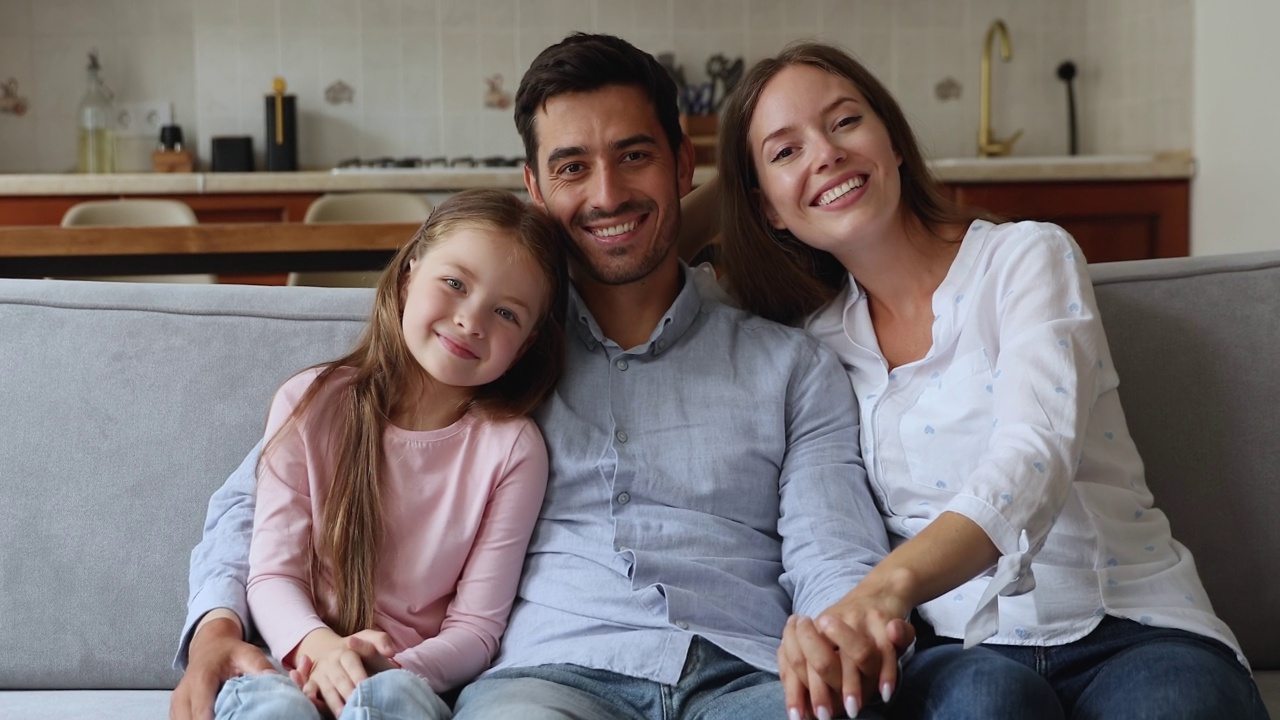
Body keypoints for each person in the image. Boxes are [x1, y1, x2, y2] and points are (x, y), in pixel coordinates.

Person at [172, 33, 897, 720]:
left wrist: (844, 631)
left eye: (634, 156)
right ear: (536, 191)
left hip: (747, 672)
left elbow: (830, 548)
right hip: (545, 680)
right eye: (573, 166)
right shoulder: (487, 344)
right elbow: (272, 492)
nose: (607, 193)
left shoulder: (793, 367)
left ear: (682, 166)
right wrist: (215, 623)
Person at [711, 41, 1270, 719]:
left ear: (893, 141)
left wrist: (886, 587)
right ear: (766, 208)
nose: (825, 153)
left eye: (844, 122)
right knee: (986, 704)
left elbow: (1033, 456)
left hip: (1128, 623)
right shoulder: (814, 347)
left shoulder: (1027, 257)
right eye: (784, 151)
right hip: (961, 648)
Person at [208, 189, 568, 720]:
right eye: (454, 284)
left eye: (506, 313)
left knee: (391, 704)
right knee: (271, 708)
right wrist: (323, 650)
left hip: (404, 681)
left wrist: (387, 669)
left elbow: (476, 629)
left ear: (529, 342)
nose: (471, 321)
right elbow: (271, 574)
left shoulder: (513, 449)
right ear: (408, 277)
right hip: (295, 667)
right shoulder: (310, 402)